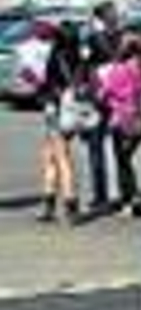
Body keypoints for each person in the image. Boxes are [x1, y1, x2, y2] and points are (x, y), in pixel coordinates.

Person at [96, 34, 141, 217]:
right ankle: (132, 198)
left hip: (120, 121)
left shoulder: (118, 70)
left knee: (123, 163)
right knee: (127, 161)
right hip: (140, 121)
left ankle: (129, 201)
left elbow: (103, 94)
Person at [34, 21, 84, 225]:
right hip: (72, 112)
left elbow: (49, 85)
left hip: (58, 110)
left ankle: (71, 205)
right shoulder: (78, 56)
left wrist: (38, 86)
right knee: (49, 155)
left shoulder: (57, 56)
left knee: (61, 156)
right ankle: (48, 202)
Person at [79, 1, 122, 213]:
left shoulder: (93, 39)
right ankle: (123, 194)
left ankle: (101, 196)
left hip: (100, 96)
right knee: (119, 147)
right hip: (121, 97)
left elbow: (84, 64)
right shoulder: (124, 37)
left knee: (95, 146)